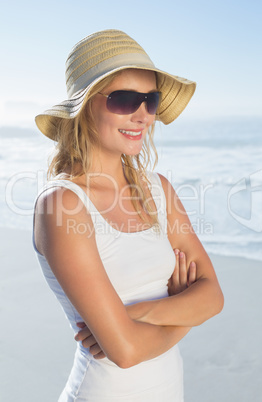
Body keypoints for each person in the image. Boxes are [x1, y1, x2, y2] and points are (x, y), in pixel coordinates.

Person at [33, 29, 224, 401]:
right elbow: (125, 352)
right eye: (124, 99)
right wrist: (184, 308)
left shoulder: (158, 189)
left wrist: (141, 313)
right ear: (85, 104)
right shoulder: (62, 205)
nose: (142, 116)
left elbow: (214, 297)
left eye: (150, 100)